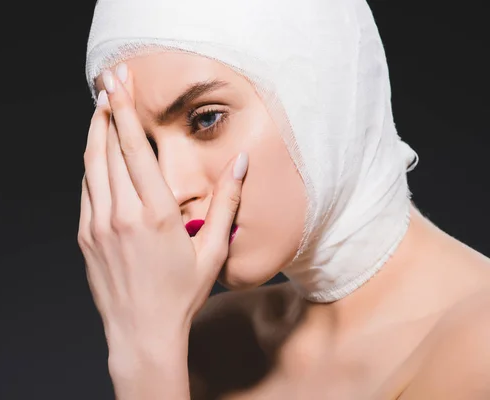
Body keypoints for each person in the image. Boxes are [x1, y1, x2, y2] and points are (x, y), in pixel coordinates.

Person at [77, 0, 490, 398]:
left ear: (323, 87)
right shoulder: (208, 343)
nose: (170, 190)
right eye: (144, 146)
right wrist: (148, 349)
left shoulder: (478, 347)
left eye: (206, 119)